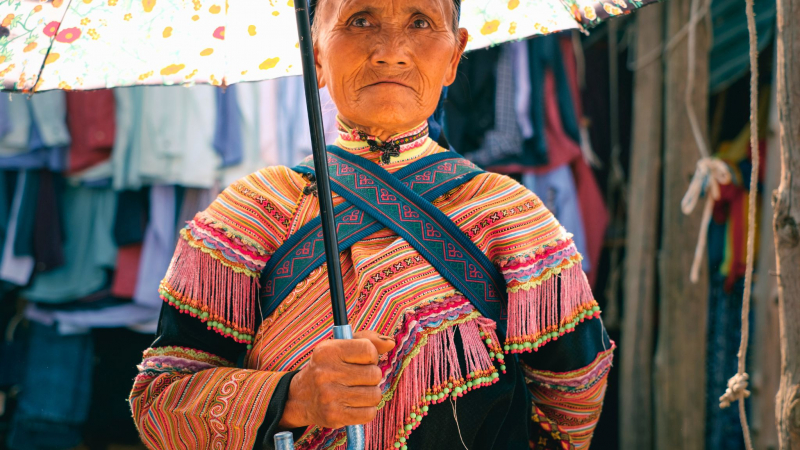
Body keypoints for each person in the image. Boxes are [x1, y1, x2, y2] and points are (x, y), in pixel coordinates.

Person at [129, 0, 614, 448]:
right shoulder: (248, 216)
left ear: (454, 56)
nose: (391, 53)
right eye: (360, 20)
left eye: (421, 22)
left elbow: (572, 401)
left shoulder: (512, 219)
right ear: (315, 53)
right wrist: (294, 398)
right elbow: (159, 402)